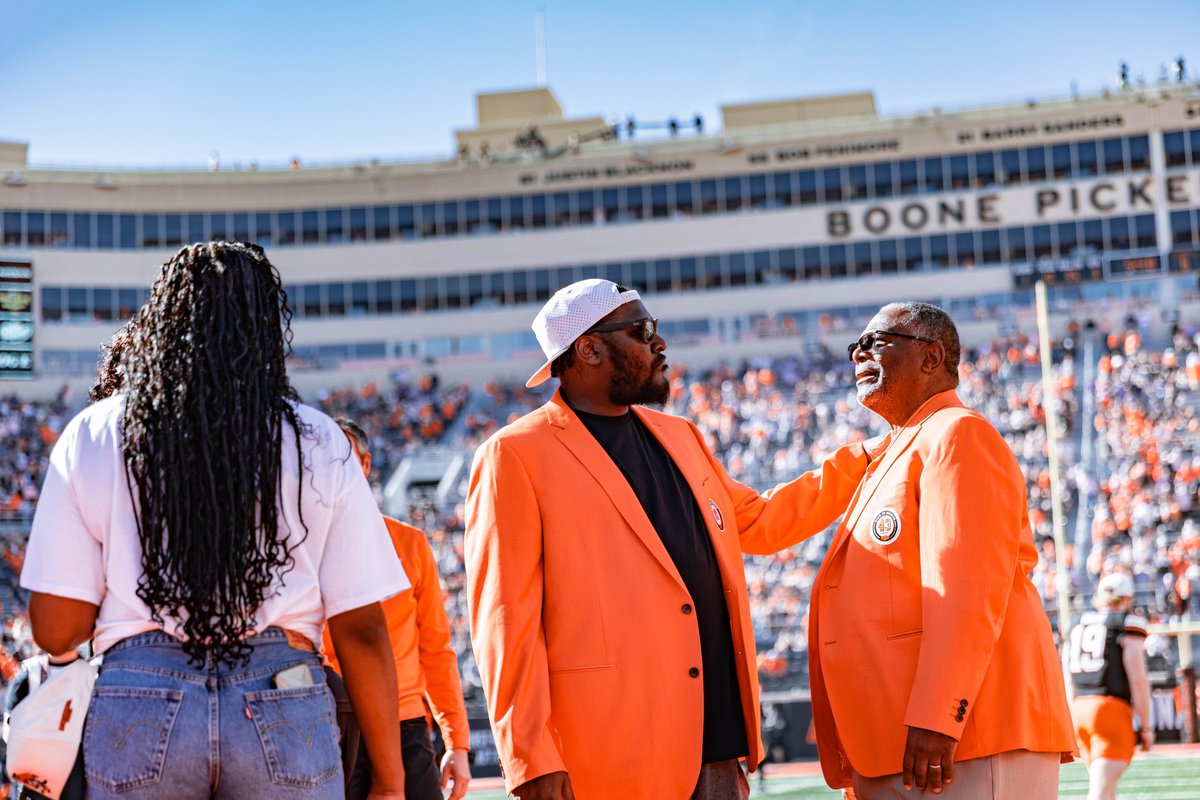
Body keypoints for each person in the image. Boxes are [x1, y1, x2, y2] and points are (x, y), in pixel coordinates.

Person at [20, 242, 409, 799]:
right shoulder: (319, 439)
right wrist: (391, 784)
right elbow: (363, 630)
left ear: (160, 324)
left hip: (139, 698)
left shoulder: (94, 432)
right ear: (265, 329)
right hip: (284, 692)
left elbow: (57, 630)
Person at [465, 278, 876, 800]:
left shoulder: (681, 436)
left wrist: (864, 459)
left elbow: (760, 521)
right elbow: (504, 625)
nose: (659, 344)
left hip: (717, 747)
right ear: (588, 349)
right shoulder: (514, 455)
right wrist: (530, 759)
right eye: (641, 331)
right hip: (608, 756)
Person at [802, 302, 1076, 798]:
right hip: (900, 740)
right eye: (855, 346)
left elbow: (965, 588)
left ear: (931, 359)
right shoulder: (897, 450)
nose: (859, 354)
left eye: (876, 341)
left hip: (967, 735)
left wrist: (939, 714)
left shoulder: (957, 433)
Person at [323, 418, 472, 800]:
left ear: (367, 465)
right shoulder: (299, 547)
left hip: (405, 724)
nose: (333, 471)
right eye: (323, 461)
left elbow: (436, 650)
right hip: (330, 725)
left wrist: (456, 741)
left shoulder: (411, 543)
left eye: (344, 459)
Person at [1064, 573, 1153, 800]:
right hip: (1110, 710)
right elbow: (1137, 678)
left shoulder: (1077, 622)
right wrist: (1146, 726)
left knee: (1105, 788)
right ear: (1125, 598)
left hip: (1078, 710)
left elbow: (1066, 672)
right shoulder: (1126, 622)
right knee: (1100, 792)